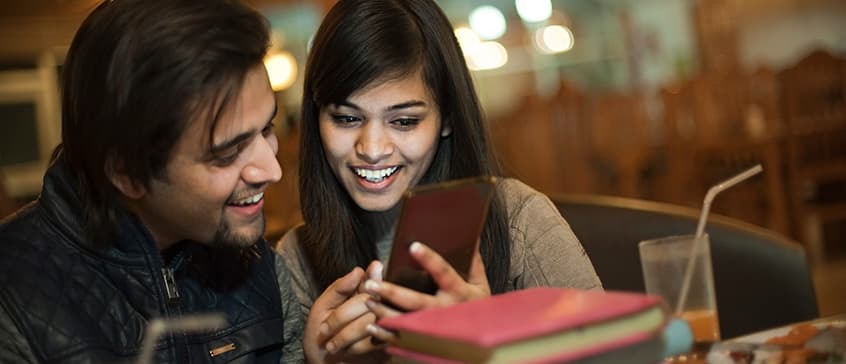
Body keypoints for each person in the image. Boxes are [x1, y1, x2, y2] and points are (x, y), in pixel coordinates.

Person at [275, 0, 602, 362]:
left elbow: (618, 355)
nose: (371, 149)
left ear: (446, 118)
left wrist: (487, 344)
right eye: (347, 119)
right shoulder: (297, 259)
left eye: (404, 122)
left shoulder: (519, 222)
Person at [0, 0, 304, 362]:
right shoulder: (11, 306)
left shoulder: (260, 267)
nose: (272, 170)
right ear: (127, 172)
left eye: (266, 128)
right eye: (228, 153)